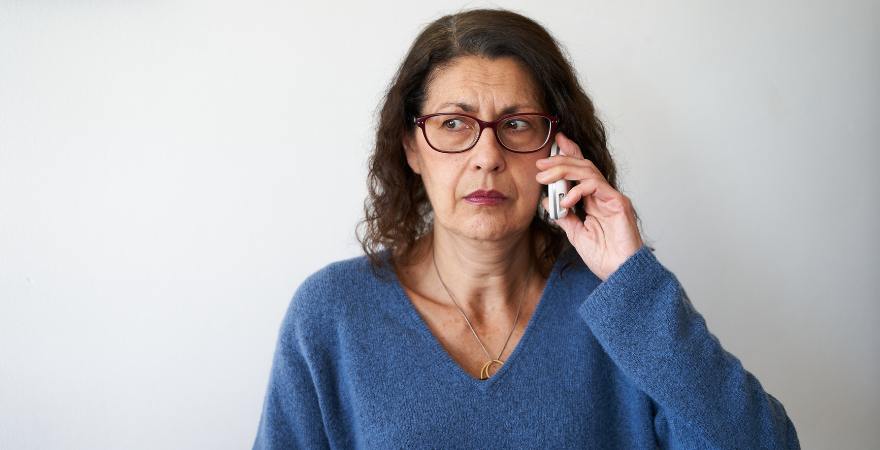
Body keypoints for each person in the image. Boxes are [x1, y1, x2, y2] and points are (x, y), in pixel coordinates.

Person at [254, 9, 799, 449]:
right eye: (453, 124)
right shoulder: (330, 315)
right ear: (411, 148)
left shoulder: (623, 308)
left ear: (559, 149)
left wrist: (631, 279)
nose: (487, 157)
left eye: (517, 125)